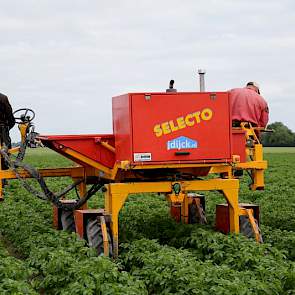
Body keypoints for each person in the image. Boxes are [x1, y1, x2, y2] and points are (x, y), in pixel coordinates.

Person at [0, 92, 15, 169]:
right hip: (2, 130)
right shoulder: (3, 98)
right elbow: (11, 118)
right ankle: (5, 166)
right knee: (6, 149)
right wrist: (8, 127)